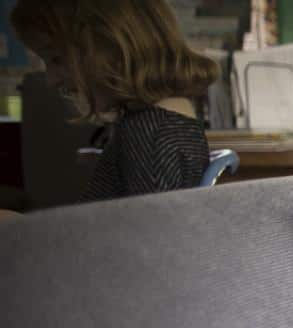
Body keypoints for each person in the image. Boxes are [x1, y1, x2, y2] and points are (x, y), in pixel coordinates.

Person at [10, 0, 217, 203]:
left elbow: (151, 235)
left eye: (57, 59)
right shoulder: (171, 120)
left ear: (111, 46)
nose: (51, 80)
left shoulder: (149, 133)